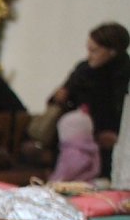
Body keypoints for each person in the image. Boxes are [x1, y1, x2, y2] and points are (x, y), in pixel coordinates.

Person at [51, 22, 130, 178]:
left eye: (94, 51)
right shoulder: (84, 70)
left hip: (114, 144)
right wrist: (59, 96)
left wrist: (120, 138)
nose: (89, 55)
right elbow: (58, 100)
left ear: (112, 51)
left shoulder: (124, 75)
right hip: (78, 142)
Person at [50, 108, 101, 182]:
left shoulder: (72, 151)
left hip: (69, 187)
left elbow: (67, 171)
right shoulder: (92, 148)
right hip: (88, 185)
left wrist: (54, 180)